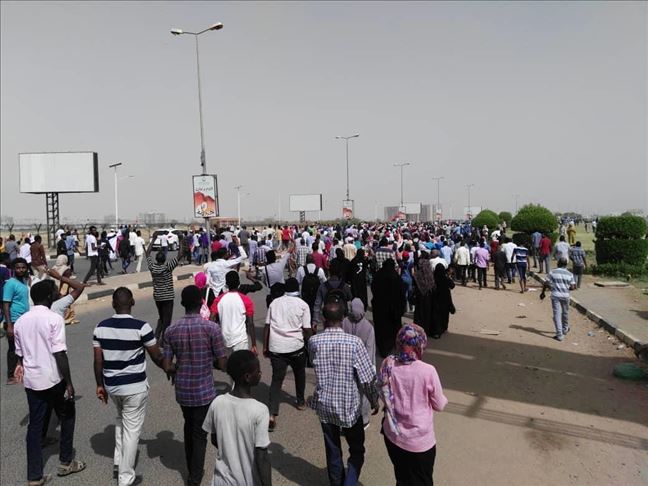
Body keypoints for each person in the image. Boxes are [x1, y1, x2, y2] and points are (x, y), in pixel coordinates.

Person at [14, 280, 86, 484]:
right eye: (54, 290)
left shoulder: (21, 321)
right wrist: (69, 383)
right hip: (54, 379)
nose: (57, 292)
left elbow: (20, 354)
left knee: (35, 426)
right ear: (48, 296)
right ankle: (66, 462)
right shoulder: (54, 318)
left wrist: (20, 366)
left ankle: (34, 476)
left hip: (32, 381)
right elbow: (59, 353)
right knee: (67, 416)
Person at [93, 287, 167, 486]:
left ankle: (119, 461)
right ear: (132, 303)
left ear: (113, 304)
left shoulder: (100, 327)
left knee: (121, 420)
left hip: (112, 386)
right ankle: (126, 477)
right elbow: (157, 356)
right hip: (134, 388)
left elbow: (98, 361)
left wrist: (100, 385)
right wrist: (170, 367)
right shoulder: (141, 327)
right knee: (132, 430)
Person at [309, 300, 380, 486]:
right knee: (356, 450)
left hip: (325, 406)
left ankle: (337, 482)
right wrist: (374, 400)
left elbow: (314, 363)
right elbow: (367, 379)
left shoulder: (314, 342)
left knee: (333, 450)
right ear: (343, 318)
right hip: (350, 408)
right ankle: (349, 482)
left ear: (323, 318)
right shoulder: (355, 343)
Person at [163, 285, 228, 486]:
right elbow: (222, 363)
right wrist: (210, 360)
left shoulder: (171, 330)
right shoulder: (212, 329)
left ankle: (192, 470)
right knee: (199, 434)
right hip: (204, 391)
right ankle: (194, 478)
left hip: (183, 390)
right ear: (201, 302)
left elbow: (167, 365)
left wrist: (177, 368)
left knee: (189, 425)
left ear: (182, 304)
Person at [378, 324, 448, 486]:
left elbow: (382, 392)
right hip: (419, 442)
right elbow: (439, 405)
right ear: (420, 345)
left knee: (402, 477)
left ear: (398, 342)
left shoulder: (388, 363)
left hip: (393, 436)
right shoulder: (428, 371)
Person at [202, 350, 272, 486]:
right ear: (247, 377)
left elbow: (214, 439)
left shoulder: (217, 402)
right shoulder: (260, 410)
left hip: (221, 481)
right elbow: (262, 456)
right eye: (258, 371)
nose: (260, 373)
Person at [263, 278, 312, 431]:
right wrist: (311, 343)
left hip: (277, 347)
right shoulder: (303, 305)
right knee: (299, 373)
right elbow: (306, 329)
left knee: (276, 379)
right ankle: (300, 402)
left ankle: (272, 414)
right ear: (297, 289)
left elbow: (267, 326)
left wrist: (265, 347)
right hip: (296, 346)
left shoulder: (274, 303)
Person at [3, 258, 38, 384]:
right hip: (14, 320)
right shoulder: (10, 284)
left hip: (24, 319)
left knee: (24, 346)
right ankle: (10, 376)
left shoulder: (23, 281)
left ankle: (22, 371)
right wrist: (9, 325)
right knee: (13, 348)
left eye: (23, 267)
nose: (21, 270)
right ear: (13, 269)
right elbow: (6, 304)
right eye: (18, 268)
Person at [342, 298, 376, 428]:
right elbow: (370, 350)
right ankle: (364, 419)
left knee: (348, 391)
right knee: (363, 394)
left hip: (347, 364)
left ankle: (348, 417)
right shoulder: (368, 327)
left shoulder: (344, 322)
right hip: (362, 366)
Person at [210, 270, 258, 354]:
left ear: (226, 284)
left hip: (224, 340)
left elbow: (212, 319)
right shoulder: (245, 300)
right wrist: (254, 344)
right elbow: (250, 323)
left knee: (229, 362)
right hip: (240, 340)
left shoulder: (218, 300)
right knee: (241, 362)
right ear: (238, 282)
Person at [145, 233, 179, 345]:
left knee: (162, 317)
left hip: (158, 296)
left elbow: (147, 253)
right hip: (168, 297)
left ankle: (156, 336)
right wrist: (181, 239)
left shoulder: (152, 267)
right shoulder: (168, 267)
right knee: (167, 320)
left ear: (156, 259)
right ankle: (164, 341)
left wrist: (154, 239)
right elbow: (180, 255)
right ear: (164, 259)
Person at [371, 258, 406, 358]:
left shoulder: (378, 276)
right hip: (393, 309)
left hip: (380, 308)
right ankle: (393, 347)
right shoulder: (396, 277)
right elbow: (401, 293)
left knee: (381, 328)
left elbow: (373, 288)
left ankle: (383, 348)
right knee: (393, 329)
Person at [541, 258, 576, 342]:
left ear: (558, 263)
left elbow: (546, 283)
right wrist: (566, 288)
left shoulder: (552, 272)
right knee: (565, 313)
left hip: (555, 295)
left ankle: (559, 335)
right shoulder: (570, 274)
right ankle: (565, 329)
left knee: (557, 314)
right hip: (566, 296)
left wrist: (543, 292)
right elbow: (573, 287)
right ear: (566, 264)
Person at [313, 259, 353, 329]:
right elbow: (350, 298)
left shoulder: (323, 286)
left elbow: (317, 304)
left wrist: (315, 321)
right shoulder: (345, 286)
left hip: (328, 317)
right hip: (342, 317)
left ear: (329, 272)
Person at [412, 253, 435, 336]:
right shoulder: (428, 265)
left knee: (419, 311)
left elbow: (415, 280)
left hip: (419, 293)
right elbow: (431, 280)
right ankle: (426, 329)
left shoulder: (418, 265)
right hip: (428, 293)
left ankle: (417, 330)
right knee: (427, 311)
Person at [430, 263, 455, 339]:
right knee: (444, 314)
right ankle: (443, 328)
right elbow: (452, 285)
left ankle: (437, 331)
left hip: (436, 299)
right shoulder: (445, 278)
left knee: (436, 315)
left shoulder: (433, 279)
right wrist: (448, 277)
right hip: (445, 299)